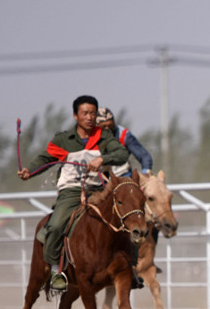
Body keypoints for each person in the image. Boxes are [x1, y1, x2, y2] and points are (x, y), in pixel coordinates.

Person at [17, 95, 129, 291]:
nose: (89, 117)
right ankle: (55, 272)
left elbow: (122, 154)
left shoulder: (104, 137)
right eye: (85, 113)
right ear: (75, 116)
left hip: (100, 190)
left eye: (93, 113)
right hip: (71, 191)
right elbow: (45, 158)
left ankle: (131, 269)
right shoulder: (63, 140)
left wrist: (103, 159)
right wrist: (29, 171)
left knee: (128, 218)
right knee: (56, 224)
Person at [95, 107, 153, 178]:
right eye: (104, 127)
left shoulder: (124, 135)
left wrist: (146, 171)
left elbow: (143, 156)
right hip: (98, 178)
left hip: (122, 177)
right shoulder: (89, 137)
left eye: (110, 126)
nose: (108, 129)